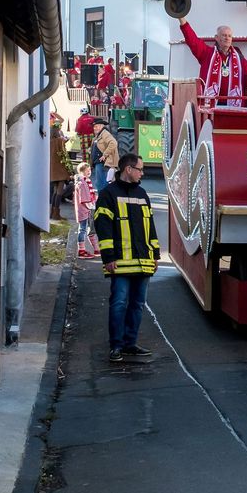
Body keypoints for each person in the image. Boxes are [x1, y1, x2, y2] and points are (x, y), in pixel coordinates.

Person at [94, 153, 161, 362]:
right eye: (140, 169)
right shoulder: (108, 194)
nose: (143, 173)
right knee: (119, 303)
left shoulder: (142, 194)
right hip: (120, 262)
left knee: (137, 304)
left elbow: (150, 226)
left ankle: (130, 344)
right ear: (128, 169)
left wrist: (155, 255)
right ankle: (116, 346)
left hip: (143, 261)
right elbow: (103, 227)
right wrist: (108, 257)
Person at [178, 18, 247, 105]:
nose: (227, 38)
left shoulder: (240, 59)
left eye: (229, 36)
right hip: (211, 106)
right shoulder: (207, 53)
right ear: (216, 37)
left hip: (233, 108)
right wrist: (182, 19)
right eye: (224, 35)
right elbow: (192, 40)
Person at [73, 162, 98, 258]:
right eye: (87, 170)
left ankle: (95, 249)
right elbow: (84, 198)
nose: (89, 172)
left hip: (86, 209)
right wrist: (91, 205)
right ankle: (81, 251)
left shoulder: (85, 181)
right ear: (82, 172)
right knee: (83, 229)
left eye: (90, 170)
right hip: (84, 210)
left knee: (89, 229)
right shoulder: (82, 183)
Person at [49, 121, 72, 220]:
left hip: (53, 170)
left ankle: (52, 213)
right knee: (59, 191)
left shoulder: (50, 141)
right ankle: (56, 214)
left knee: (55, 191)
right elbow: (64, 153)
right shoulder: (59, 140)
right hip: (60, 169)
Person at [91, 117, 119, 193]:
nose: (94, 128)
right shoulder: (99, 134)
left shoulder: (105, 133)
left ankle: (103, 198)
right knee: (101, 182)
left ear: (101, 126)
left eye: (96, 126)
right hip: (99, 162)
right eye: (94, 126)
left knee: (101, 183)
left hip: (103, 163)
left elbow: (113, 143)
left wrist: (105, 155)